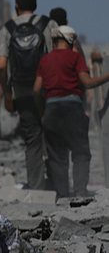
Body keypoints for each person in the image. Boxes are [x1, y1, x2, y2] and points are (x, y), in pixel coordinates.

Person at [0, 0, 58, 190]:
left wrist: (7, 94)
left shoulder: (8, 29)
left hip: (22, 92)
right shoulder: (49, 24)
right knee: (52, 135)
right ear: (36, 5)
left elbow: (1, 66)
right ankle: (59, 185)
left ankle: (37, 189)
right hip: (47, 90)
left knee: (32, 140)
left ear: (16, 6)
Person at [34, 26, 109, 198]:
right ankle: (80, 192)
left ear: (54, 42)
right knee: (80, 152)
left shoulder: (44, 60)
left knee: (57, 157)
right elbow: (87, 82)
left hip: (51, 110)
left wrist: (42, 113)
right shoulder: (76, 57)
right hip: (72, 109)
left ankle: (62, 195)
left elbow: (37, 90)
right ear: (72, 41)